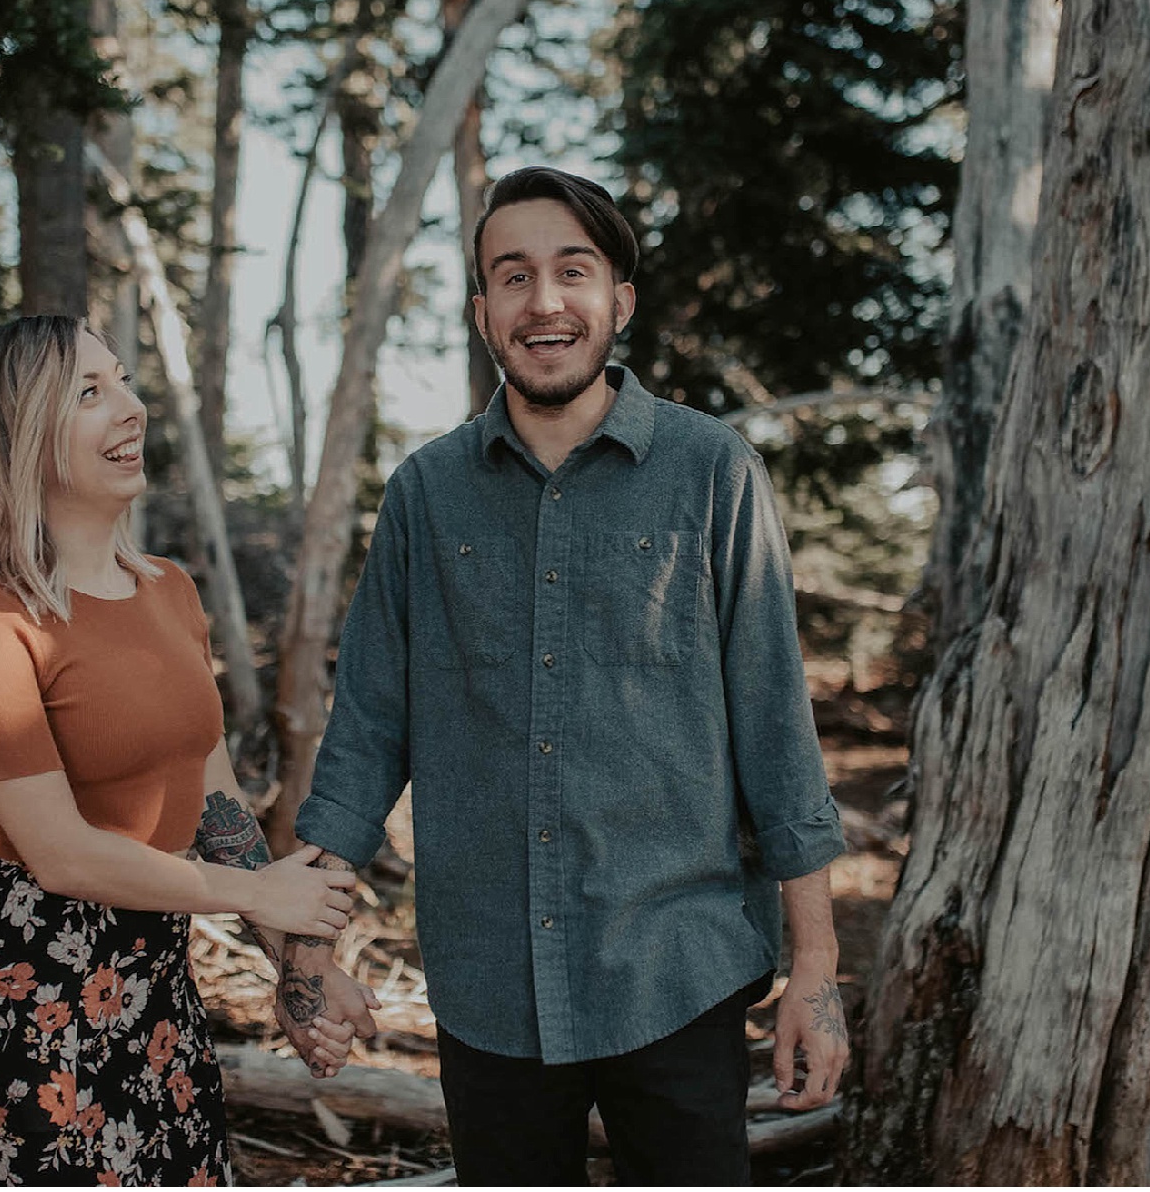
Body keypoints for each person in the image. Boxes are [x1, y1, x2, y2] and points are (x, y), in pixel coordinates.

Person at [281, 167, 848, 1185]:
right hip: (489, 977)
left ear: (618, 298)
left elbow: (773, 729)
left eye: (570, 272)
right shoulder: (425, 495)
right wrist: (310, 951)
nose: (543, 301)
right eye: (512, 276)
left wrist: (814, 970)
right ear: (480, 310)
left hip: (678, 968)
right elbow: (365, 736)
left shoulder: (710, 471)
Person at [0, 315, 374, 1186]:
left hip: (158, 983)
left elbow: (211, 798)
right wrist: (262, 893)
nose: (130, 409)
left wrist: (298, 970)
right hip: (35, 991)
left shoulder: (168, 588)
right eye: (89, 394)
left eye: (122, 380)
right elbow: (58, 853)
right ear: (18, 436)